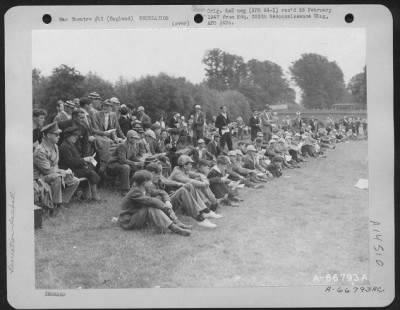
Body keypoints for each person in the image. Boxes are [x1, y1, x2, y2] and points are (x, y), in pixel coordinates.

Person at [118, 170, 192, 236]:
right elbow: (150, 201)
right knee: (151, 207)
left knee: (155, 204)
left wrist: (167, 201)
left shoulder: (146, 188)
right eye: (149, 181)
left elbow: (161, 192)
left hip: (138, 215)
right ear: (144, 183)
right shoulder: (135, 192)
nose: (151, 182)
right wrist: (167, 208)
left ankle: (177, 222)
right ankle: (174, 228)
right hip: (129, 220)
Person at [146, 163, 217, 228]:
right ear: (152, 173)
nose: (160, 176)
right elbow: (154, 201)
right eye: (159, 174)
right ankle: (200, 218)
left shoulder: (155, 179)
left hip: (166, 201)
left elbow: (166, 181)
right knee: (183, 191)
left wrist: (179, 184)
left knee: (188, 185)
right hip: (163, 207)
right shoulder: (146, 184)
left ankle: (204, 211)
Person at [33, 122, 80, 211]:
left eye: (59, 134)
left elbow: (55, 165)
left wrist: (64, 173)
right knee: (57, 178)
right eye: (56, 134)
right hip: (39, 178)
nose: (59, 136)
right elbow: (46, 170)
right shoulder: (40, 150)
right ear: (47, 135)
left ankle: (61, 203)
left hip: (52, 174)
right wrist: (63, 172)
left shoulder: (55, 146)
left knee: (74, 180)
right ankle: (54, 206)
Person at [59, 127, 101, 201]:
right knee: (90, 172)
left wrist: (85, 161)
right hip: (68, 171)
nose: (77, 137)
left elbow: (76, 159)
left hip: (74, 168)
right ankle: (94, 196)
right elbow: (71, 162)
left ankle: (86, 196)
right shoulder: (65, 147)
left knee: (91, 168)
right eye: (74, 135)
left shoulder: (70, 144)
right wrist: (84, 160)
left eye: (77, 135)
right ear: (68, 136)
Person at [107, 130, 144, 195]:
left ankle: (133, 187)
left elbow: (133, 157)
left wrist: (140, 162)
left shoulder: (133, 145)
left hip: (121, 164)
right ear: (129, 138)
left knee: (137, 167)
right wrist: (135, 163)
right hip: (113, 164)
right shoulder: (122, 145)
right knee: (126, 167)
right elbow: (122, 160)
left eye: (136, 138)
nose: (136, 140)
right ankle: (124, 190)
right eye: (135, 138)